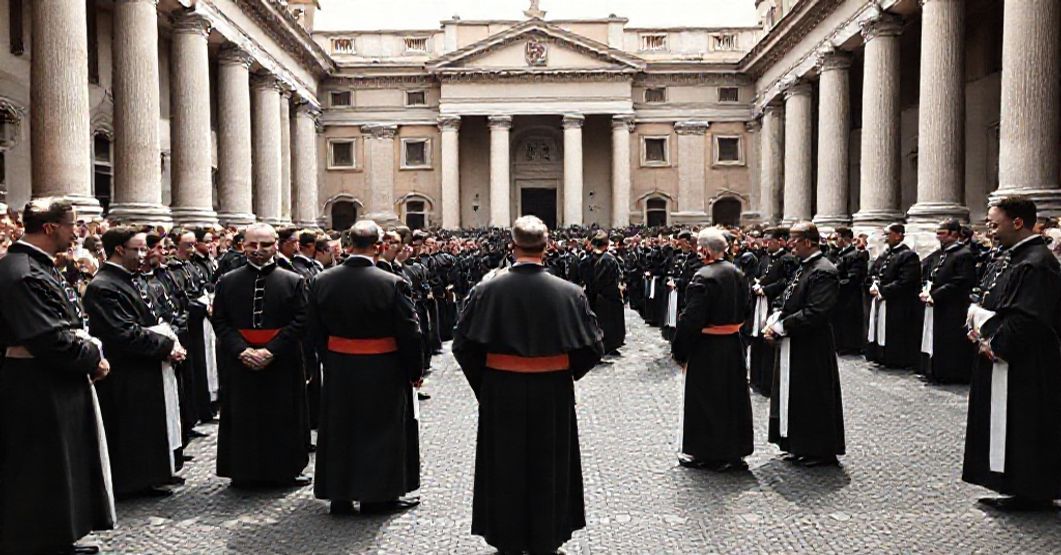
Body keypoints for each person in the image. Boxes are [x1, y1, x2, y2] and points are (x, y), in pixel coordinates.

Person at [453, 215, 604, 555]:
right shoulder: (570, 293)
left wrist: (487, 384)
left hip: (502, 388)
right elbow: (594, 347)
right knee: (549, 464)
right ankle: (546, 538)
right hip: (551, 391)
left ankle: (507, 538)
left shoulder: (485, 290)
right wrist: (563, 373)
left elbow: (462, 345)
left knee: (504, 464)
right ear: (546, 247)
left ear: (512, 246)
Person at [0, 199, 114, 555]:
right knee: (40, 465)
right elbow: (49, 338)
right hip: (34, 383)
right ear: (50, 228)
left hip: (49, 379)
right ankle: (40, 541)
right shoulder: (22, 273)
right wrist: (93, 357)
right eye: (72, 225)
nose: (77, 232)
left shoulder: (37, 266)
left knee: (59, 462)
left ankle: (58, 534)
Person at [309, 220, 425, 515]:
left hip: (340, 367)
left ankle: (339, 496)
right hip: (382, 367)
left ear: (347, 246)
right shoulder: (392, 283)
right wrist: (414, 370)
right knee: (380, 431)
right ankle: (378, 497)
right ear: (379, 247)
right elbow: (410, 332)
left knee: (339, 429)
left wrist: (330, 357)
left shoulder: (322, 280)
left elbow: (314, 329)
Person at [963, 197, 1061, 511]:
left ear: (1017, 222)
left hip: (1027, 362)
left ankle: (1031, 490)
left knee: (1026, 423)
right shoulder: (1017, 258)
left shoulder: (1035, 262)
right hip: (1009, 353)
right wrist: (979, 329)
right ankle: (1015, 485)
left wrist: (995, 343)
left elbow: (1027, 316)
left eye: (994, 224)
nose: (989, 231)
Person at [84, 226, 187, 499]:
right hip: (126, 370)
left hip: (146, 365)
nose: (144, 254)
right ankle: (134, 481)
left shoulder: (130, 279)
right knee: (132, 426)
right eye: (138, 249)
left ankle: (152, 474)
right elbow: (122, 333)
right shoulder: (104, 286)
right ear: (119, 249)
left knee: (147, 422)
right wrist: (165, 346)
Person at [212, 223, 311, 488]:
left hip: (282, 360)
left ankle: (285, 470)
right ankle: (243, 471)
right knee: (243, 415)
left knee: (283, 415)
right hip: (240, 360)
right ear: (243, 245)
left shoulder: (294, 281)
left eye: (265, 245)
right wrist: (241, 350)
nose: (258, 251)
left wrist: (271, 350)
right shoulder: (227, 281)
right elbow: (220, 321)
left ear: (275, 245)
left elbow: (301, 320)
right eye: (253, 245)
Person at [763, 222, 845, 467]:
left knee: (812, 396)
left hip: (812, 345)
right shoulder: (804, 268)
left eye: (795, 241)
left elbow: (816, 311)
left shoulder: (824, 271)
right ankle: (797, 443)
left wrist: (782, 326)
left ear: (809, 242)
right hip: (795, 341)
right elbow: (786, 298)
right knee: (795, 394)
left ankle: (817, 449)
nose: (790, 245)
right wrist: (775, 316)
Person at [671, 227, 753, 472]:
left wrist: (680, 350)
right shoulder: (738, 273)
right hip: (732, 343)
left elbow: (691, 319)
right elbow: (747, 309)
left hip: (707, 347)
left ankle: (709, 453)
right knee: (732, 399)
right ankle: (734, 451)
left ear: (705, 250)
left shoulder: (703, 277)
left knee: (707, 400)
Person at [918, 219, 977, 383]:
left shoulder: (963, 254)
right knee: (935, 338)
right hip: (938, 304)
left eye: (942, 233)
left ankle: (949, 374)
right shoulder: (943, 254)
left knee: (949, 341)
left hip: (953, 307)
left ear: (954, 234)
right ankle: (934, 369)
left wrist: (936, 294)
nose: (938, 237)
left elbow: (962, 281)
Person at [748, 227, 797, 396]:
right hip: (759, 302)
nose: (766, 244)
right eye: (765, 241)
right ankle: (756, 379)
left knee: (768, 339)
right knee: (756, 339)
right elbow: (759, 275)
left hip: (772, 303)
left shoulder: (787, 260)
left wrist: (767, 289)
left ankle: (768, 382)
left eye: (770, 241)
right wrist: (756, 284)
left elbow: (788, 282)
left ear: (780, 241)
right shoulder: (764, 257)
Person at [865, 223, 922, 369]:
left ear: (898, 235)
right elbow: (874, 272)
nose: (885, 238)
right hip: (880, 298)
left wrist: (883, 290)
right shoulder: (885, 254)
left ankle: (895, 358)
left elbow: (906, 281)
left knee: (895, 332)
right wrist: (873, 285)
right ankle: (879, 354)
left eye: (888, 234)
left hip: (897, 303)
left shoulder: (908, 256)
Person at [587, 230, 626, 355]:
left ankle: (609, 345)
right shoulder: (607, 259)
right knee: (610, 323)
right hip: (608, 296)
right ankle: (609, 345)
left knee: (608, 323)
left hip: (605, 296)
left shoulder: (604, 259)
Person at [830, 227, 868, 355]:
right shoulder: (839, 254)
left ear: (845, 238)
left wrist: (834, 284)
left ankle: (850, 346)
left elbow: (854, 277)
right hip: (840, 295)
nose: (835, 241)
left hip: (850, 296)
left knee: (849, 321)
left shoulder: (856, 255)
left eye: (837, 238)